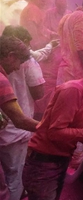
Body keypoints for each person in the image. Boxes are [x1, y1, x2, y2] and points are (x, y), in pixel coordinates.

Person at [22, 45, 83, 200]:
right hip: (43, 163)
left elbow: (71, 128)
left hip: (61, 159)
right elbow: (54, 133)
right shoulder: (74, 90)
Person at [1, 26, 45, 200]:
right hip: (14, 134)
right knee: (13, 178)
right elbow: (20, 119)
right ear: (11, 55)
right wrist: (49, 129)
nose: (18, 66)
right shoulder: (2, 79)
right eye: (18, 61)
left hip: (7, 132)